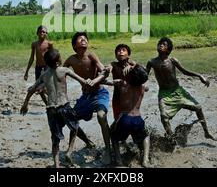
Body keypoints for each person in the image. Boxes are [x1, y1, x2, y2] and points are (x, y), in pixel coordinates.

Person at [20, 49, 89, 168]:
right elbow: (82, 81)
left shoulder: (44, 75)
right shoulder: (64, 70)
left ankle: (56, 165)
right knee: (75, 126)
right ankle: (69, 151)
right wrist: (89, 81)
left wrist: (25, 104)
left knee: (55, 139)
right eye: (60, 58)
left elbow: (32, 89)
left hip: (51, 109)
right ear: (57, 63)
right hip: (64, 106)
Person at [146, 37, 216, 143]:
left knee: (198, 107)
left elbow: (185, 71)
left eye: (164, 44)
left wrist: (200, 76)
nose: (161, 45)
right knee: (164, 117)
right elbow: (144, 76)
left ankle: (206, 132)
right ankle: (172, 140)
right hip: (164, 94)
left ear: (168, 49)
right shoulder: (152, 62)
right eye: (160, 43)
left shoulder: (172, 60)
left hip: (178, 91)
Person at [63, 32, 112, 165]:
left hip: (99, 93)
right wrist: (43, 84)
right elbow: (60, 72)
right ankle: (75, 148)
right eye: (80, 39)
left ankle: (108, 150)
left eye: (85, 39)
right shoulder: (71, 60)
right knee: (71, 119)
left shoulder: (91, 55)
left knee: (101, 116)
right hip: (86, 97)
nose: (84, 40)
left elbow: (103, 70)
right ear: (74, 46)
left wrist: (103, 72)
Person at [102, 44, 150, 167]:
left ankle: (118, 160)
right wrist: (107, 69)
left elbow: (142, 73)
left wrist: (133, 66)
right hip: (129, 109)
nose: (120, 52)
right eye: (118, 50)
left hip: (125, 109)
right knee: (143, 134)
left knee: (115, 131)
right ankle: (145, 160)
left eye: (123, 50)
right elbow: (144, 79)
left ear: (128, 54)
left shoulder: (124, 81)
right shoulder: (114, 65)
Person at [23, 25, 53, 105]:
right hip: (38, 68)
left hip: (47, 68)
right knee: (38, 88)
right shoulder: (34, 44)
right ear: (37, 33)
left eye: (43, 32)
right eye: (40, 31)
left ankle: (53, 100)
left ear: (46, 33)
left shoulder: (49, 44)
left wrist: (54, 69)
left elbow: (53, 56)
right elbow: (32, 58)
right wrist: (26, 72)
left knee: (45, 86)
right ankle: (47, 104)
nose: (41, 33)